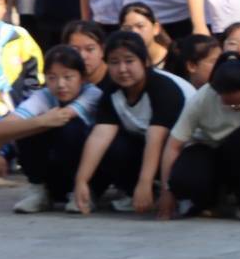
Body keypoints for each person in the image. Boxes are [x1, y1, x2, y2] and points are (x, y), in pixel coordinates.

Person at [70, 31, 192, 215]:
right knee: (108, 144)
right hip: (148, 147)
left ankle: (168, 193)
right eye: (114, 62)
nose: (122, 69)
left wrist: (144, 184)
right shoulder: (111, 92)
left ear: (145, 62)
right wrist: (81, 181)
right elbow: (100, 137)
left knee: (190, 176)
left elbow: (156, 139)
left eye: (129, 61)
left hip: (184, 150)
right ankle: (134, 192)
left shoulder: (164, 88)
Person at [161, 56, 240, 217]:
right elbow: (173, 145)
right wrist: (167, 192)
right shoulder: (201, 99)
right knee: (183, 180)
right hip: (206, 149)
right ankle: (208, 201)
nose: (236, 108)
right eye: (231, 104)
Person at [0, 45, 100, 212]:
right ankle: (38, 190)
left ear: (82, 78)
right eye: (52, 78)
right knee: (28, 126)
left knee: (71, 128)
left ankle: (84, 193)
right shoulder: (44, 95)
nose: (60, 84)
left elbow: (62, 117)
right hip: (56, 171)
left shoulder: (92, 94)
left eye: (68, 77)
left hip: (89, 172)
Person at [117, 3, 172, 72]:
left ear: (156, 28)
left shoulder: (175, 59)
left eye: (140, 26)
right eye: (127, 28)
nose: (134, 32)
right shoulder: (120, 65)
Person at [60, 20, 109, 85]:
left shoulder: (117, 80)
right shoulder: (61, 83)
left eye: (90, 49)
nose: (83, 56)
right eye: (75, 50)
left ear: (102, 50)